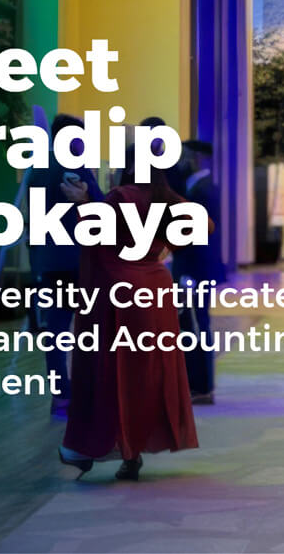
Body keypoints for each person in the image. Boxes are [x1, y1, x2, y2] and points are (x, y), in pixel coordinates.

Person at [56, 145, 199, 481]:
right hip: (157, 288)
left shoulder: (122, 195)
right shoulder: (168, 197)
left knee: (116, 373)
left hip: (123, 290)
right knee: (150, 375)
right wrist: (164, 247)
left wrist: (81, 203)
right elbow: (204, 224)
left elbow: (97, 232)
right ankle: (131, 455)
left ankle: (109, 449)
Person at [26, 115, 105, 417]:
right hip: (80, 260)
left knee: (57, 331)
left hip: (50, 261)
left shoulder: (37, 171)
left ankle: (61, 396)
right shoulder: (76, 168)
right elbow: (98, 205)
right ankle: (90, 391)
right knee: (91, 329)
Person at [172, 139, 225, 404]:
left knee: (196, 324)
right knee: (193, 324)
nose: (183, 160)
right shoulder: (198, 186)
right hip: (193, 266)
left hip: (194, 268)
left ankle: (201, 385)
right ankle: (198, 384)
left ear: (199, 158)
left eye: (187, 155)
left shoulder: (204, 189)